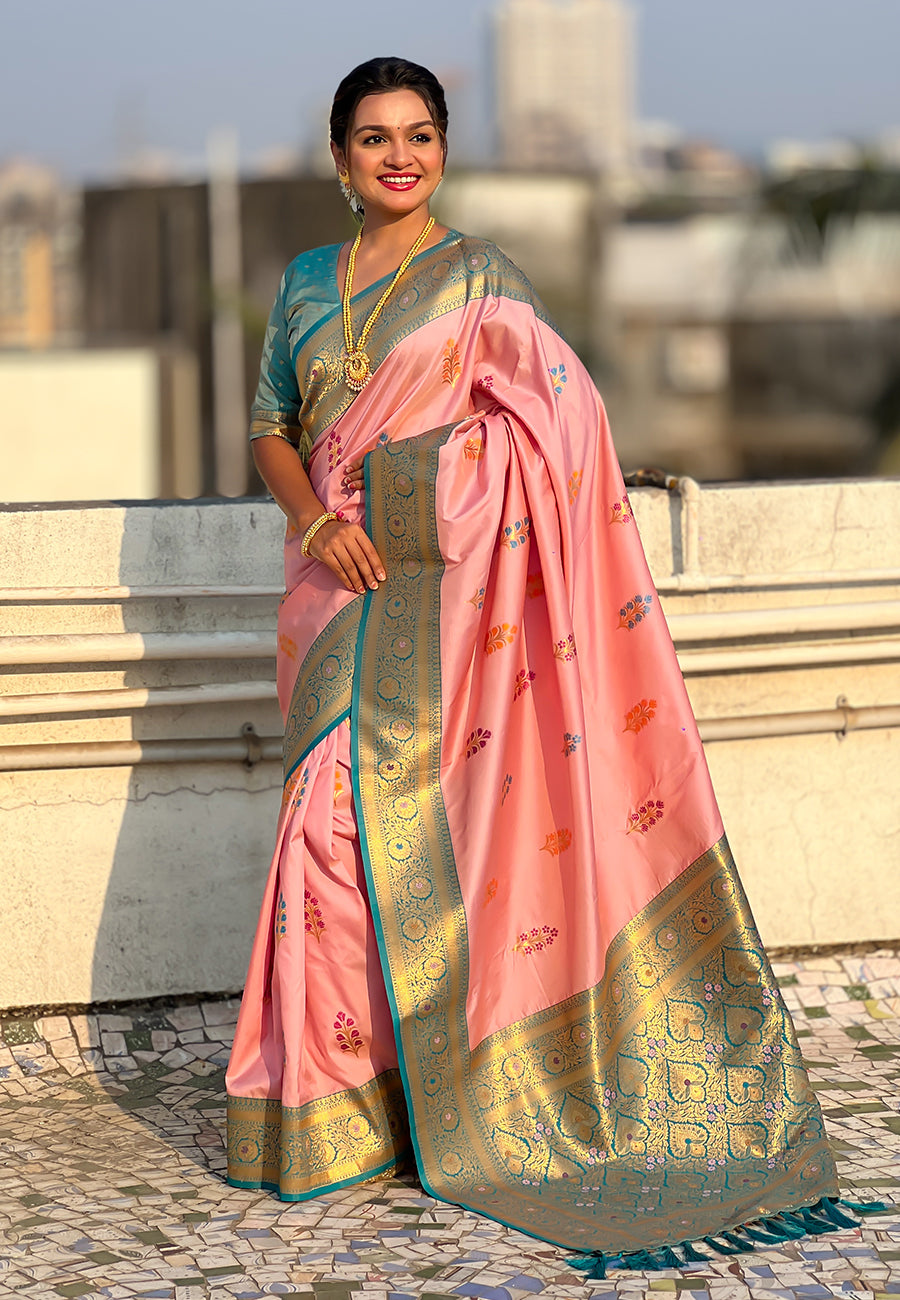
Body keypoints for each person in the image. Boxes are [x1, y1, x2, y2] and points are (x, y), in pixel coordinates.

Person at [225, 56, 864, 1276]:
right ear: (339, 156)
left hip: (453, 595)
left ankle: (433, 1101)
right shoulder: (305, 284)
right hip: (332, 590)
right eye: (373, 138)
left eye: (418, 135)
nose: (397, 156)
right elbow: (271, 424)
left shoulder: (483, 285)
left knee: (384, 835)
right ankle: (333, 1108)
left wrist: (430, 488)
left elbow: (563, 434)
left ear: (444, 150)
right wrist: (317, 519)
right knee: (323, 829)